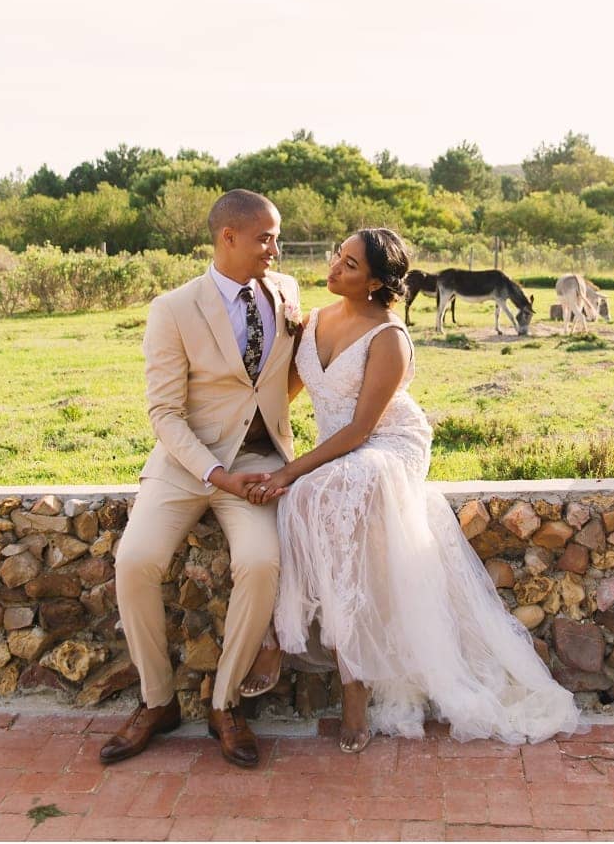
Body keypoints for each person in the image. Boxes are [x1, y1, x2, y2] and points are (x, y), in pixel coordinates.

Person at [242, 228, 582, 752]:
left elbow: (360, 431)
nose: (334, 267)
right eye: (338, 255)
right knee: (305, 503)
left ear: (376, 283)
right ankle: (278, 638)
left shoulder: (389, 337)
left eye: (349, 265)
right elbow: (282, 395)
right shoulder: (312, 321)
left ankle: (352, 683)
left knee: (310, 493)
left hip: (386, 444)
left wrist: (290, 473)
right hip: (337, 451)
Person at [101, 189, 299, 769]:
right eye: (265, 236)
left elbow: (281, 378)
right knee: (134, 560)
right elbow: (163, 412)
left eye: (276, 235)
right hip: (186, 465)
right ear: (227, 238)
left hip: (258, 464)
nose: (275, 247)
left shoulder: (287, 292)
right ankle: (157, 701)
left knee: (261, 564)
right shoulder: (173, 308)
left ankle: (224, 702)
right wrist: (213, 472)